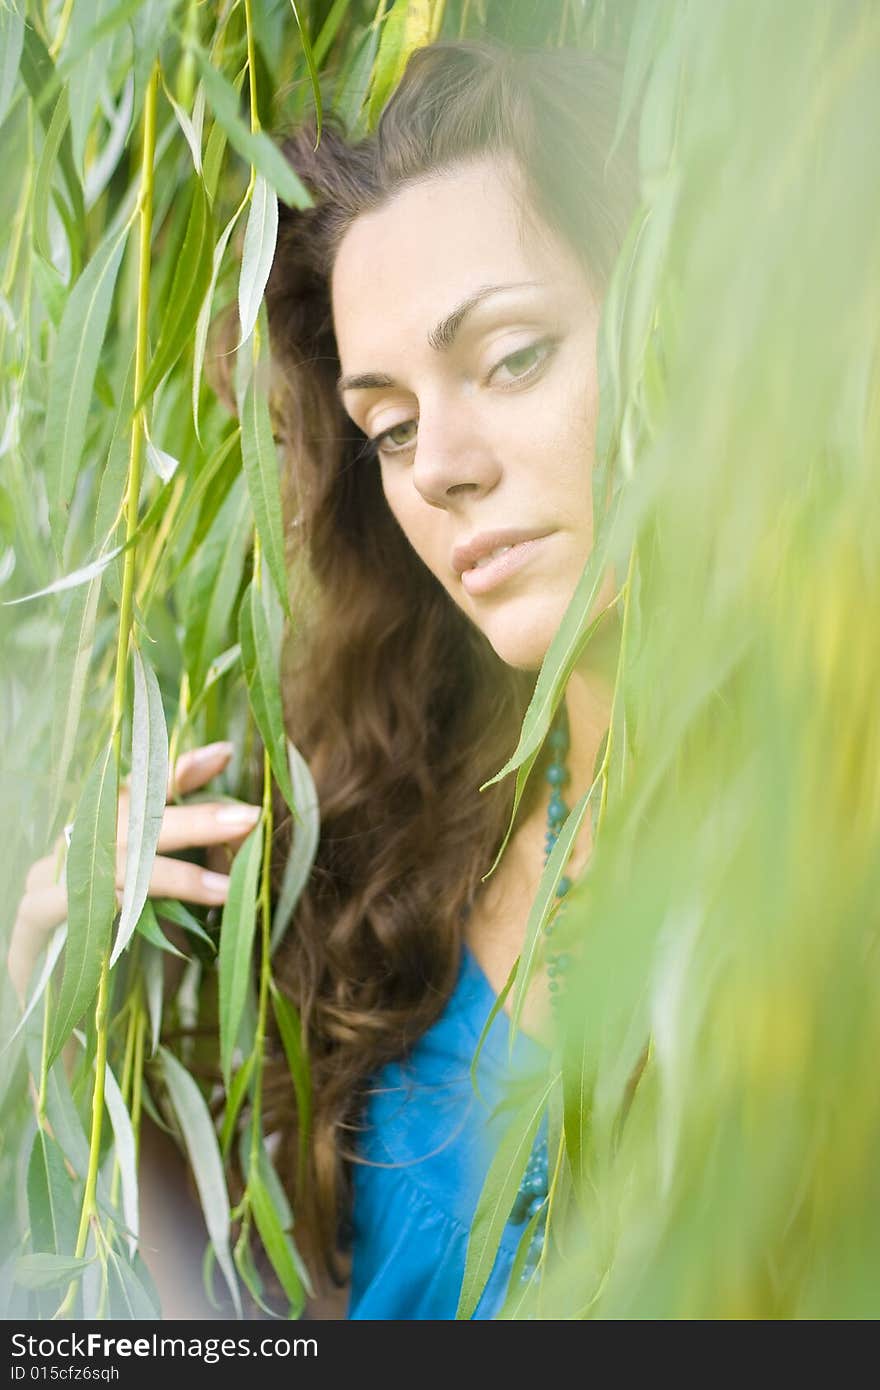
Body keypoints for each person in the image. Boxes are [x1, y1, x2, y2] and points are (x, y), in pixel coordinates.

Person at [9, 38, 638, 1319]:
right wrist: (55, 1029)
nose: (442, 467)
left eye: (513, 357)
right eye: (389, 427)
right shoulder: (392, 856)